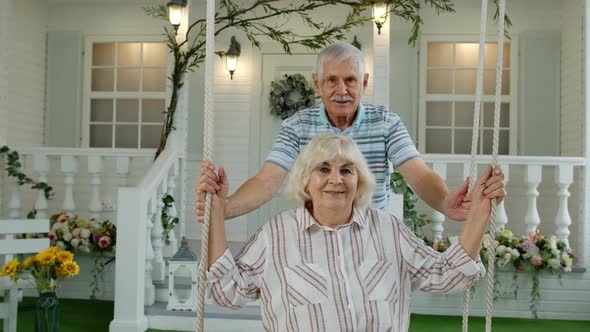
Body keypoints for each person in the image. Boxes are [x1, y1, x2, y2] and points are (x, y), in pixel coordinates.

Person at [205, 134, 506, 332]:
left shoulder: (387, 230)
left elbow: (449, 274)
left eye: (347, 170)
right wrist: (216, 213)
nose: (335, 179)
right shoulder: (275, 236)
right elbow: (226, 292)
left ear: (358, 182)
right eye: (323, 169)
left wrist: (480, 211)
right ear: (305, 182)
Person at [198, 42, 484, 223]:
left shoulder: (386, 122)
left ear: (364, 82)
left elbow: (419, 174)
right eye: (331, 81)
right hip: (318, 233)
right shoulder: (297, 126)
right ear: (317, 83)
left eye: (350, 80)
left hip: (372, 233)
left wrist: (447, 203)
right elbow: (268, 181)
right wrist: (227, 208)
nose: (341, 90)